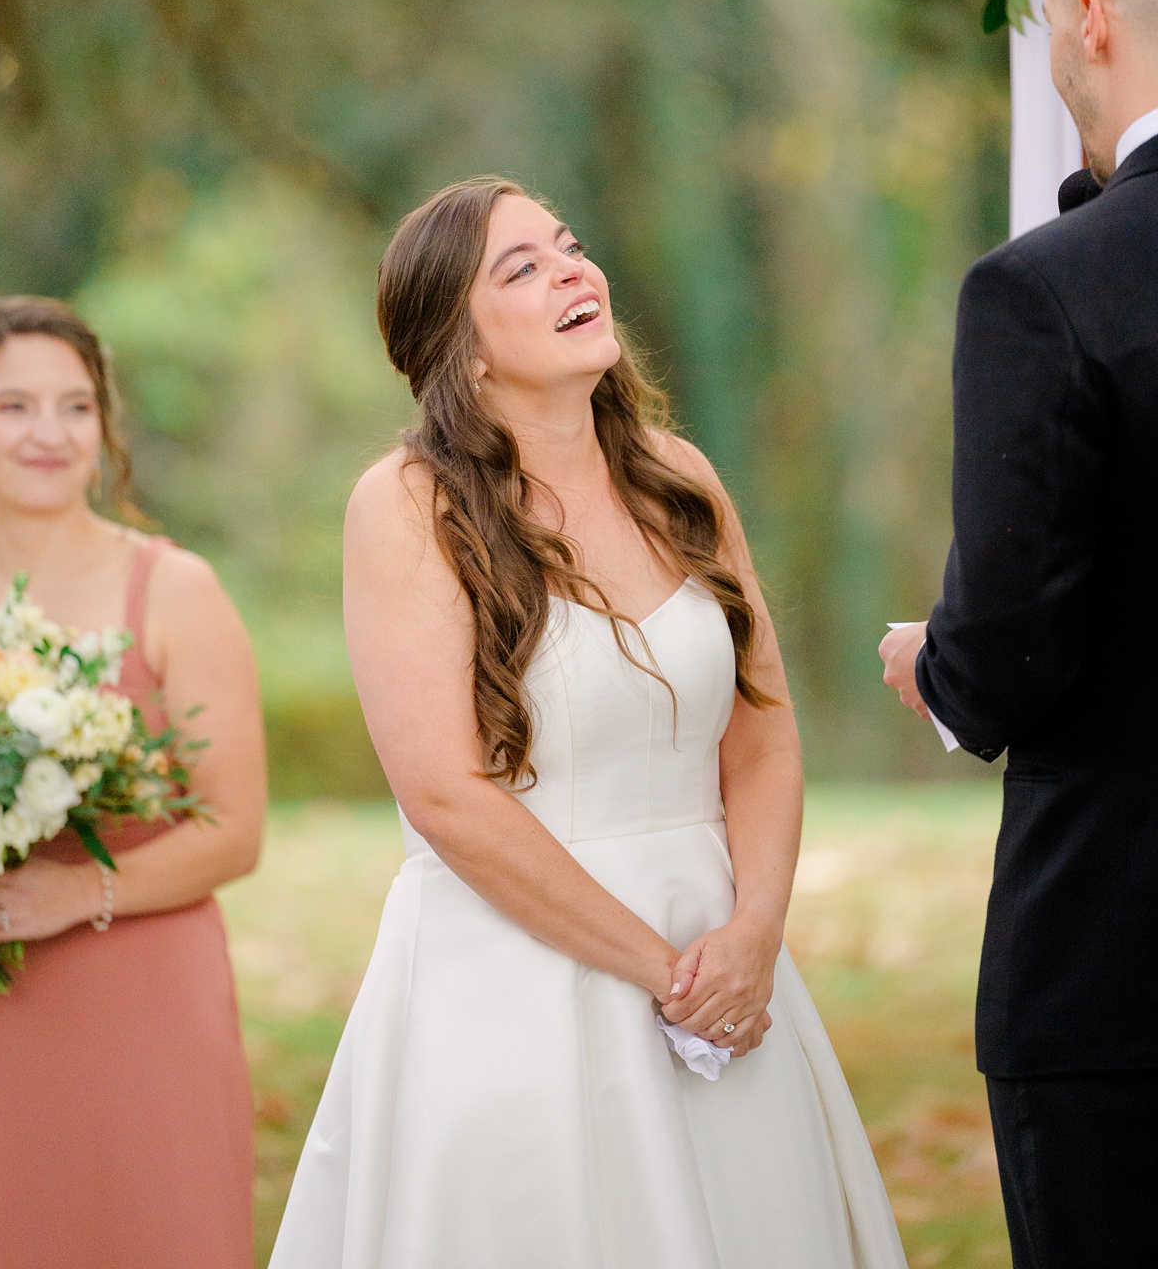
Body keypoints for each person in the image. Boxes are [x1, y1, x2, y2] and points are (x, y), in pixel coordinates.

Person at [272, 179, 903, 1268]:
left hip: (726, 967)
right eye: (520, 267)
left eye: (569, 245)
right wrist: (662, 972)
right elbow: (444, 795)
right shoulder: (408, 504)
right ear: (459, 347)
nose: (574, 269)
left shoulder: (678, 479)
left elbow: (761, 734)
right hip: (517, 972)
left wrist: (752, 934)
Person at [881, 0, 1158, 1268]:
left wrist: (936, 668)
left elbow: (1011, 645)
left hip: (1123, 967)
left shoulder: (1049, 287)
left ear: (1093, 21)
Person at [0, 296, 266, 1269]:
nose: (50, 433)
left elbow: (234, 827)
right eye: (14, 406)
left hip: (143, 989)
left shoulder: (175, 588)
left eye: (76, 406)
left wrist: (80, 889)